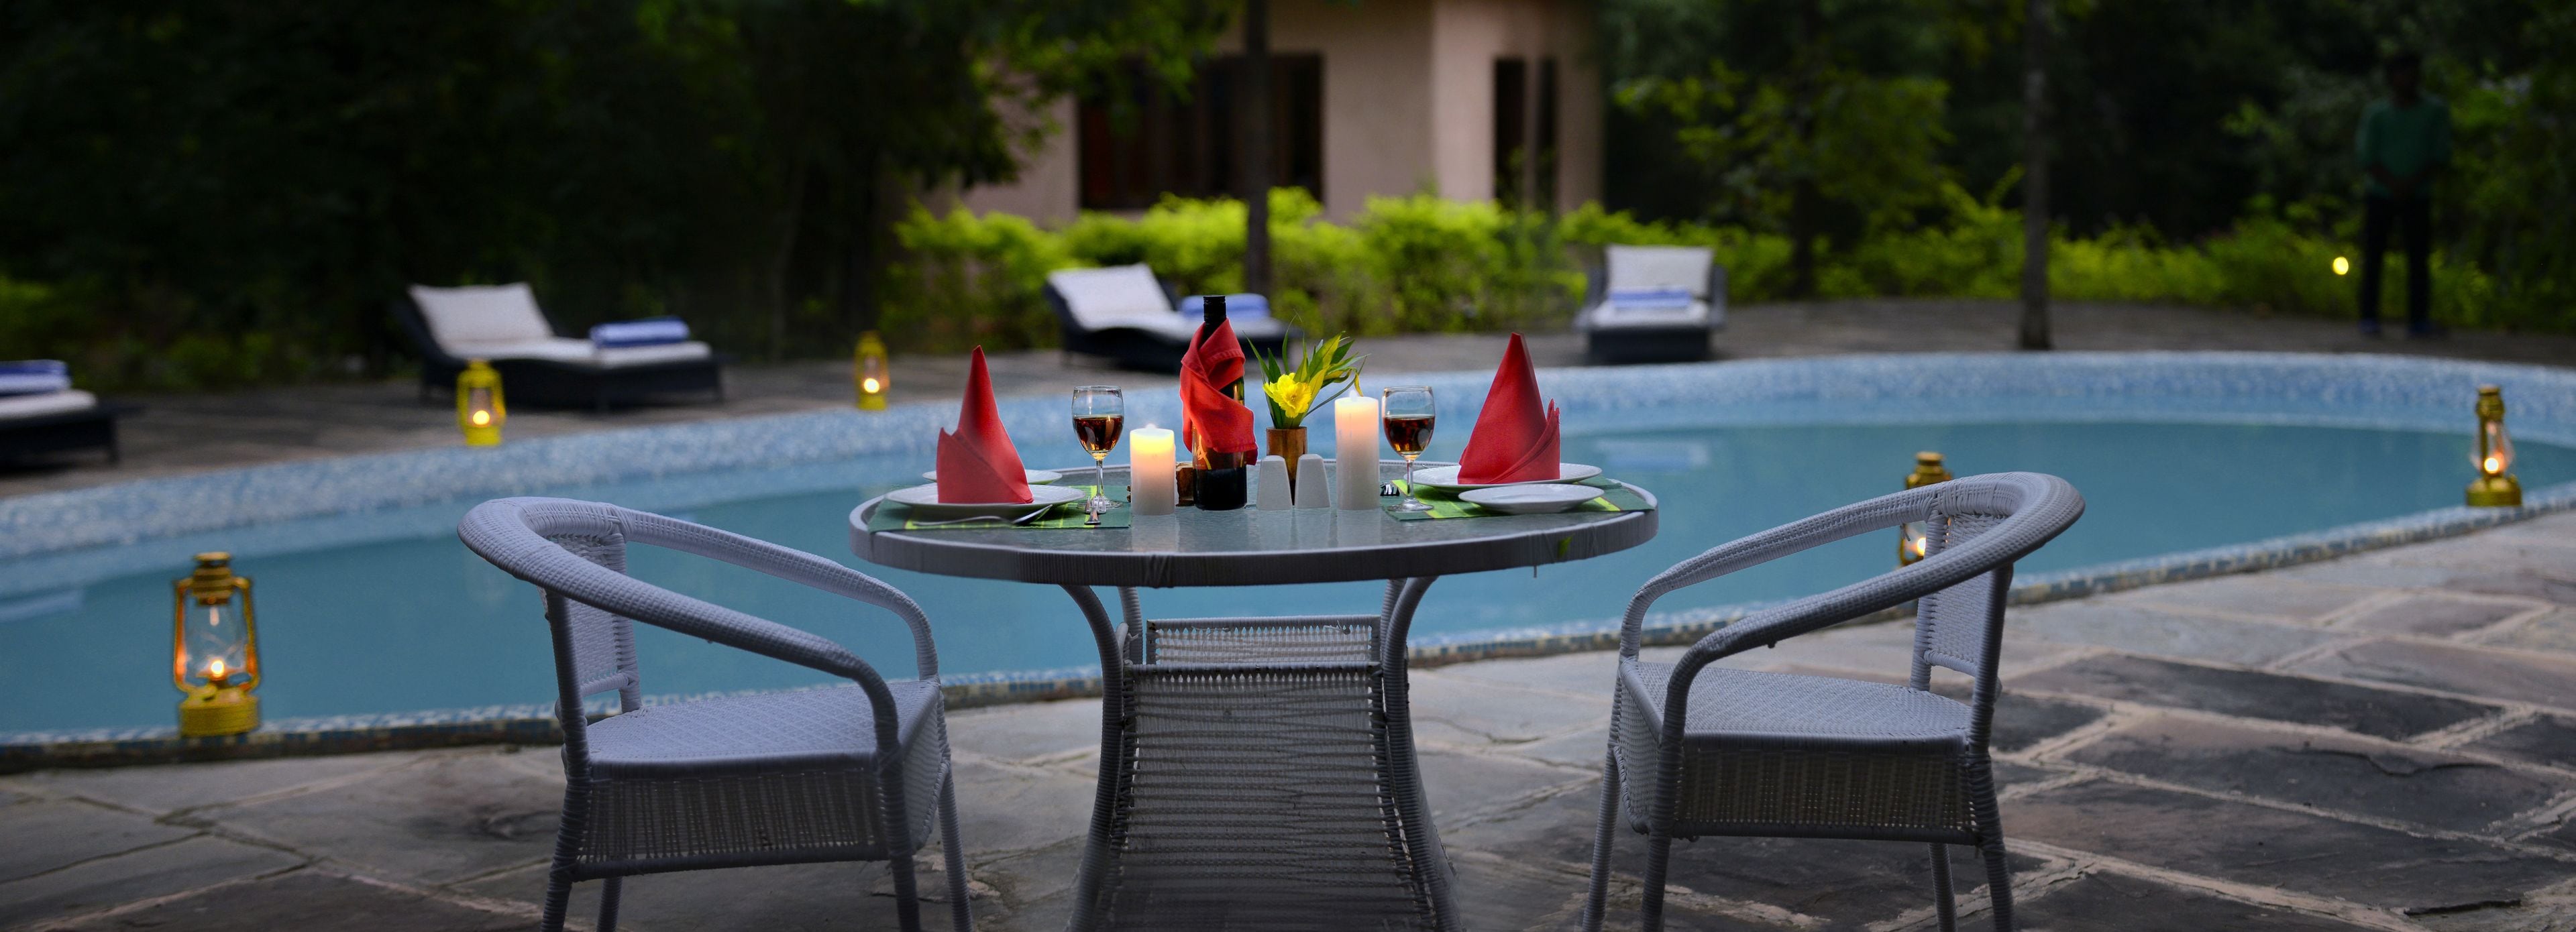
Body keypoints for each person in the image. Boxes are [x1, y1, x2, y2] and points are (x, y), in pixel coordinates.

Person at [2353, 51, 2451, 338]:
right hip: (2380, 194)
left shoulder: (2434, 111)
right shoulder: (2377, 114)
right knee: (2373, 257)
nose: (2408, 80)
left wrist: (2412, 183)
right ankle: (2368, 317)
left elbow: (2440, 153)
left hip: (2419, 195)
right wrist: (2392, 183)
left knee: (2419, 259)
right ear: (2391, 78)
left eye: (2413, 73)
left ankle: (2419, 319)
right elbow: (2366, 155)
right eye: (2402, 73)